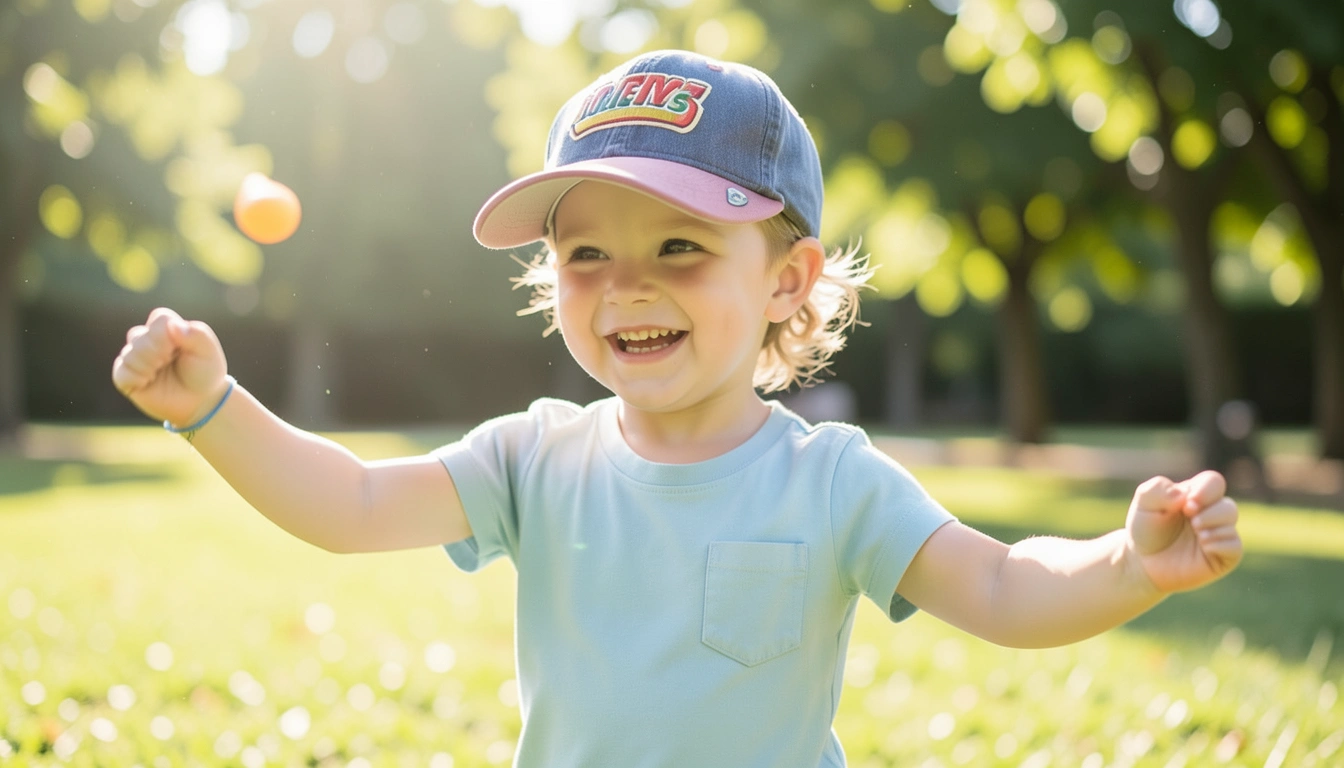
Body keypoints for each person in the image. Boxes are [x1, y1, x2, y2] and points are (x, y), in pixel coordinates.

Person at [111, 50, 1243, 767]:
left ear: (787, 283)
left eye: (681, 246)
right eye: (586, 251)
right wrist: (213, 407)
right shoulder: (529, 460)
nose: (627, 284)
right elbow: (350, 503)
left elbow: (998, 586)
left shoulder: (830, 480)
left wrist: (1128, 566)